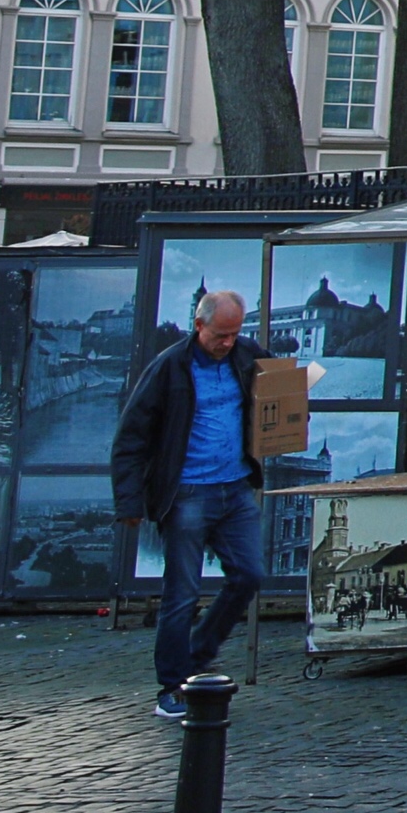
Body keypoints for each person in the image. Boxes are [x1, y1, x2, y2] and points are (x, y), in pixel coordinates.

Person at [111, 289, 282, 723]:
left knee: (249, 574)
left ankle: (197, 654)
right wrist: (129, 501)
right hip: (187, 491)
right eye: (220, 334)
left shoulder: (248, 355)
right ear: (199, 325)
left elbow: (279, 392)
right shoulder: (169, 367)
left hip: (235, 487)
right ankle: (172, 685)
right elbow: (132, 436)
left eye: (234, 333)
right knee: (182, 593)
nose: (227, 342)